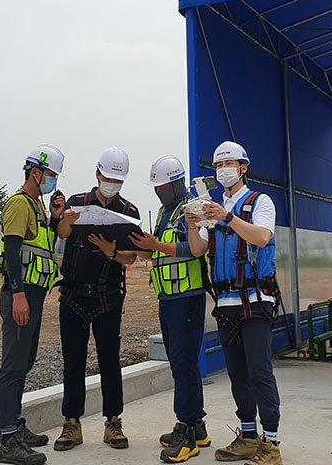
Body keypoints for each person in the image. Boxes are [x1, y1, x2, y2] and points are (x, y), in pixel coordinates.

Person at [187, 141, 282, 465]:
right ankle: (247, 436)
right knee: (237, 373)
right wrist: (192, 224)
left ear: (243, 167)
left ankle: (271, 444)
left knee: (259, 370)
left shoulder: (260, 202)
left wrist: (226, 216)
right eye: (218, 166)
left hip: (256, 300)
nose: (223, 170)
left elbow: (262, 237)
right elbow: (199, 249)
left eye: (229, 164)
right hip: (226, 303)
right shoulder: (212, 208)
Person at [52, 147, 140, 452]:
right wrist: (65, 218)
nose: (112, 183)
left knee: (109, 361)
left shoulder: (129, 211)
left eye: (118, 179)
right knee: (73, 362)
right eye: (108, 177)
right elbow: (62, 232)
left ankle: (113, 422)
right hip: (74, 294)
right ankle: (71, 423)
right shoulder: (77, 203)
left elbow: (137, 254)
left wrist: (111, 253)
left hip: (109, 296)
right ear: (97, 173)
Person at [0, 145, 76, 465]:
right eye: (51, 176)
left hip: (36, 293)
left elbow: (45, 246)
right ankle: (8, 438)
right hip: (22, 293)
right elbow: (13, 252)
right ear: (36, 172)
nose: (52, 182)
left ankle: (15, 425)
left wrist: (55, 219)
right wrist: (17, 296)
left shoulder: (38, 207)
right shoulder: (19, 204)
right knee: (13, 364)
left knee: (24, 362)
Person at [130, 155, 211, 463]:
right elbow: (159, 249)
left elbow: (195, 249)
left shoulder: (194, 208)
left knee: (183, 363)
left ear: (177, 183)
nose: (158, 191)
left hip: (187, 298)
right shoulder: (166, 212)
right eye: (155, 187)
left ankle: (186, 430)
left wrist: (157, 246)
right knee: (182, 362)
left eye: (162, 186)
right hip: (169, 298)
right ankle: (198, 426)